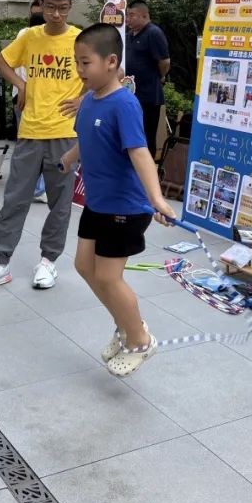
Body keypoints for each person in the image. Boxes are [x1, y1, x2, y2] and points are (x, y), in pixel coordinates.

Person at [59, 24, 176, 376]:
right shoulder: (89, 100)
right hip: (98, 203)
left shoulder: (124, 104)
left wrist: (157, 198)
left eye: (85, 63)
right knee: (84, 266)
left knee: (109, 277)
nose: (79, 70)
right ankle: (125, 324)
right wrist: (69, 158)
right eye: (76, 62)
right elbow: (89, 140)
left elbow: (140, 153)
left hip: (124, 207)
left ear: (111, 62)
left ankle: (140, 339)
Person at [0, 0, 83, 292]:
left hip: (64, 134)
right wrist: (20, 83)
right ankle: (0, 263)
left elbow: (108, 74)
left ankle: (48, 261)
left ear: (70, 6)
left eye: (63, 7)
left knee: (59, 203)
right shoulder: (30, 37)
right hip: (31, 132)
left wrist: (83, 99)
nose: (56, 14)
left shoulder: (81, 39)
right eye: (50, 7)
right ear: (41, 5)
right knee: (15, 199)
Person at [125, 0, 171, 159]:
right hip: (130, 95)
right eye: (127, 15)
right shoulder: (129, 35)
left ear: (144, 15)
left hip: (148, 96)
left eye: (131, 15)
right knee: (130, 134)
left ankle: (148, 170)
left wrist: (160, 76)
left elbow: (164, 62)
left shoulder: (153, 33)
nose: (128, 19)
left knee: (145, 136)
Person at [14, 10, 48, 203]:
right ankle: (36, 188)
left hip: (21, 96)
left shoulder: (23, 36)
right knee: (34, 146)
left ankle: (28, 186)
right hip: (29, 99)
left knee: (25, 145)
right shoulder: (32, 40)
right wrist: (23, 88)